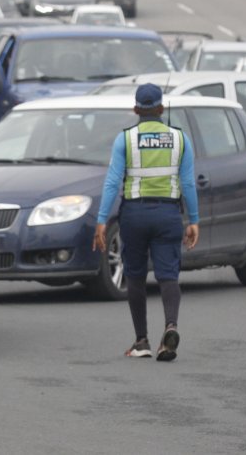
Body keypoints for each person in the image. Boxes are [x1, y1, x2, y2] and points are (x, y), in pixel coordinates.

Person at [93, 83, 200, 362]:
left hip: (135, 215)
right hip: (168, 215)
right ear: (162, 109)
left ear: (136, 109)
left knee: (136, 276)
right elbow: (188, 182)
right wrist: (194, 220)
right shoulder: (180, 139)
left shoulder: (125, 140)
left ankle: (141, 341)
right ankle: (171, 325)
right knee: (168, 275)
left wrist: (102, 220)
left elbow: (113, 181)